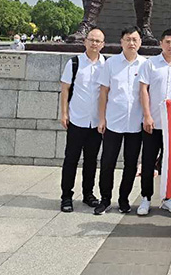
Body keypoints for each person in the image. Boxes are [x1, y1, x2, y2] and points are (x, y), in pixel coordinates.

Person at [95, 26, 147, 215]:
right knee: (107, 162)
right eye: (128, 39)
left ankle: (124, 199)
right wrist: (101, 118)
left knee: (131, 164)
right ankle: (105, 199)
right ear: (121, 42)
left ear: (140, 42)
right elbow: (103, 92)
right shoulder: (111, 63)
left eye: (135, 39)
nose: (131, 43)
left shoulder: (145, 65)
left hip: (135, 123)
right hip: (113, 122)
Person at [138, 28, 171, 216]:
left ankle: (168, 198)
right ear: (161, 43)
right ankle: (146, 197)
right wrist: (147, 115)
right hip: (152, 123)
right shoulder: (150, 64)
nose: (170, 46)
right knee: (148, 161)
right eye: (167, 42)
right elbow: (143, 90)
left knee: (170, 164)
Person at [59, 28, 105, 213]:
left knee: (91, 161)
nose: (94, 44)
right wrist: (64, 113)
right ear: (85, 41)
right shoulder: (74, 63)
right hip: (77, 120)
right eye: (91, 40)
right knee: (71, 159)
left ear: (103, 44)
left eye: (98, 41)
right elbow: (65, 89)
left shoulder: (106, 64)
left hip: (96, 122)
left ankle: (88, 194)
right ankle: (66, 196)